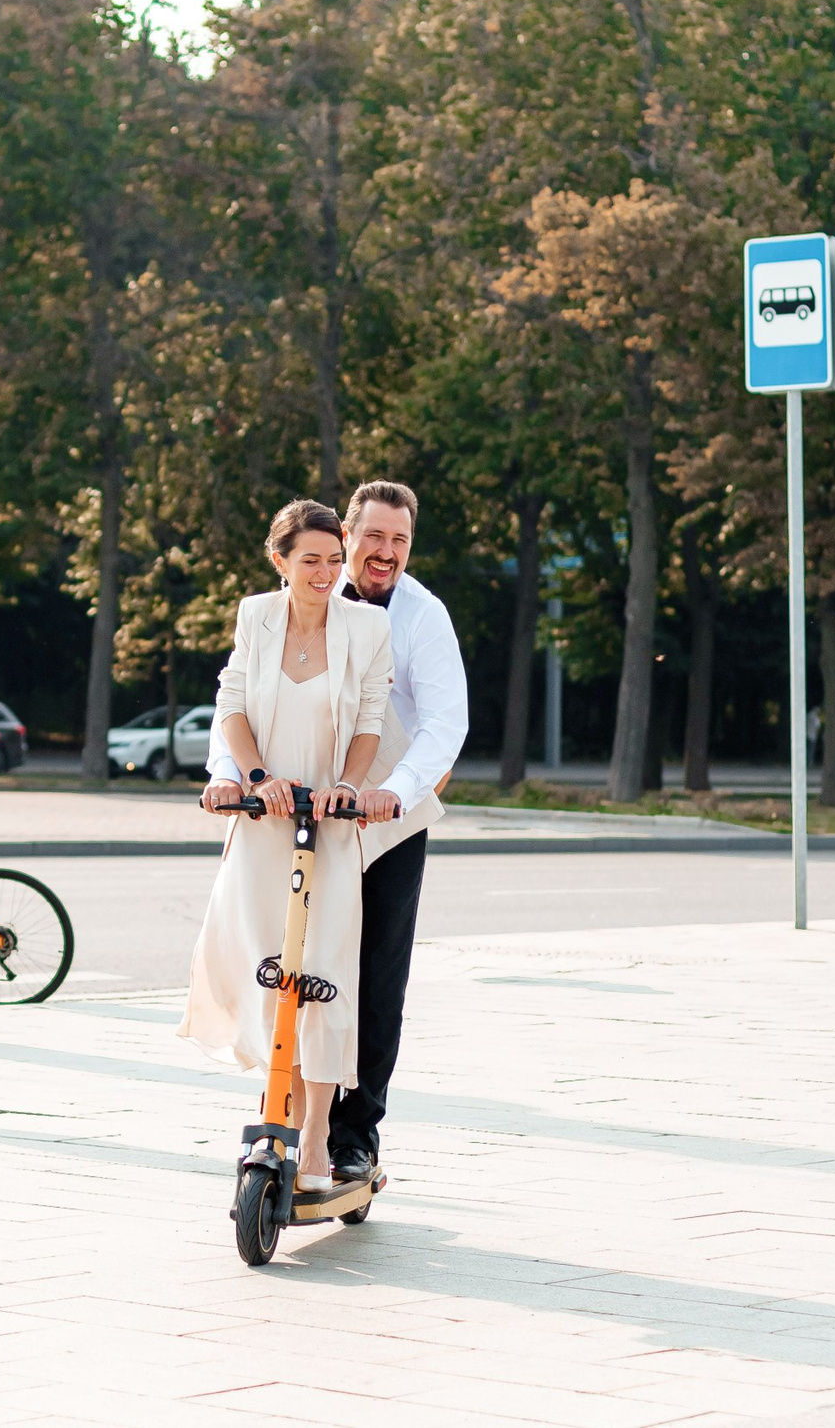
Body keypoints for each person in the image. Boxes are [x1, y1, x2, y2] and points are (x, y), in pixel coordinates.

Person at [184, 499, 397, 1192]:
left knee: (325, 971)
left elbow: (369, 717)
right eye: (311, 560)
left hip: (328, 826)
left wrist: (347, 784)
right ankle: (271, 1112)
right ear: (280, 561)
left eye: (335, 559)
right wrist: (251, 778)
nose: (327, 572)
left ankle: (311, 1143)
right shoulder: (257, 616)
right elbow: (234, 702)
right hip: (263, 822)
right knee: (271, 971)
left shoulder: (367, 625)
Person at [323, 479, 467, 1187]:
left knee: (379, 974)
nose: (386, 553)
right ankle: (296, 1110)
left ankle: (357, 1132)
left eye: (400, 541)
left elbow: (446, 723)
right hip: (313, 805)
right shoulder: (309, 591)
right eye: (374, 536)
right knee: (306, 962)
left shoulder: (424, 614)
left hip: (390, 812)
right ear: (348, 533)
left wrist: (394, 792)